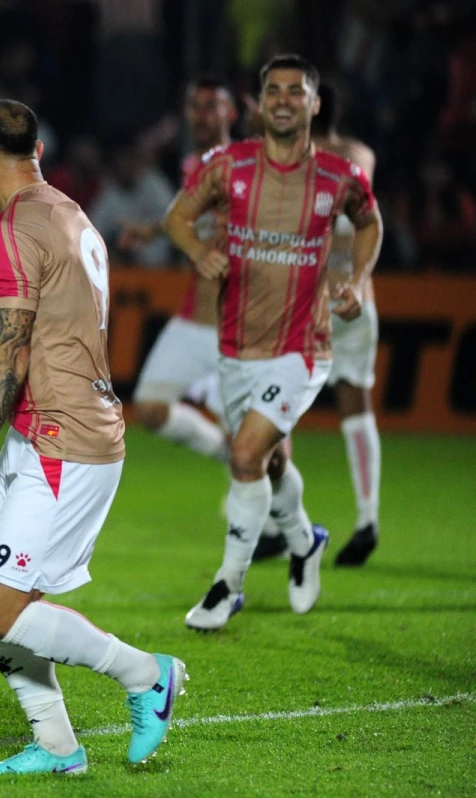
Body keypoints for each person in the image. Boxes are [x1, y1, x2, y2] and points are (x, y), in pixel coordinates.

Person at [0, 99, 185, 776]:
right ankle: (58, 746)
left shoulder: (7, 233)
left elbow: (13, 353)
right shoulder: (72, 213)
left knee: (5, 605)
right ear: (38, 152)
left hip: (63, 438)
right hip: (49, 431)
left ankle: (148, 674)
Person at [164, 54, 383, 632]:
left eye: (297, 90)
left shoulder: (339, 175)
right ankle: (302, 539)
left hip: (303, 347)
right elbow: (177, 217)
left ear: (314, 103)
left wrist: (358, 280)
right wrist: (197, 251)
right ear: (260, 105)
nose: (285, 99)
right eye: (274, 91)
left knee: (244, 456)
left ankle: (226, 584)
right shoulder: (228, 166)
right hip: (236, 345)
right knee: (273, 458)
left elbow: (370, 222)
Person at [253, 82, 382, 566]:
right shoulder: (360, 154)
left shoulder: (297, 158)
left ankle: (279, 522)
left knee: (275, 403)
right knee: (357, 405)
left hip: (307, 301)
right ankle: (367, 520)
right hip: (357, 297)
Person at [126, 76, 236, 462]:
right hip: (191, 322)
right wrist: (152, 230)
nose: (202, 115)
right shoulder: (194, 166)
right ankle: (222, 452)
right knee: (151, 409)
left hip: (235, 328)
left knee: (257, 443)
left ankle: (287, 522)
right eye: (196, 106)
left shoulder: (245, 169)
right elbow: (185, 215)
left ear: (230, 113)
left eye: (212, 106)